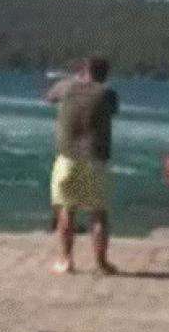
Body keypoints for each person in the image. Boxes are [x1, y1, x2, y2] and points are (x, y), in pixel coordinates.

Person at [46, 56, 119, 275]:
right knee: (98, 213)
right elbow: (112, 111)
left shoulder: (66, 86)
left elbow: (49, 97)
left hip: (68, 157)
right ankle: (102, 262)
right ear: (105, 74)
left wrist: (73, 79)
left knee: (67, 210)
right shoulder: (108, 94)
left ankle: (66, 260)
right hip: (95, 158)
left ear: (83, 70)